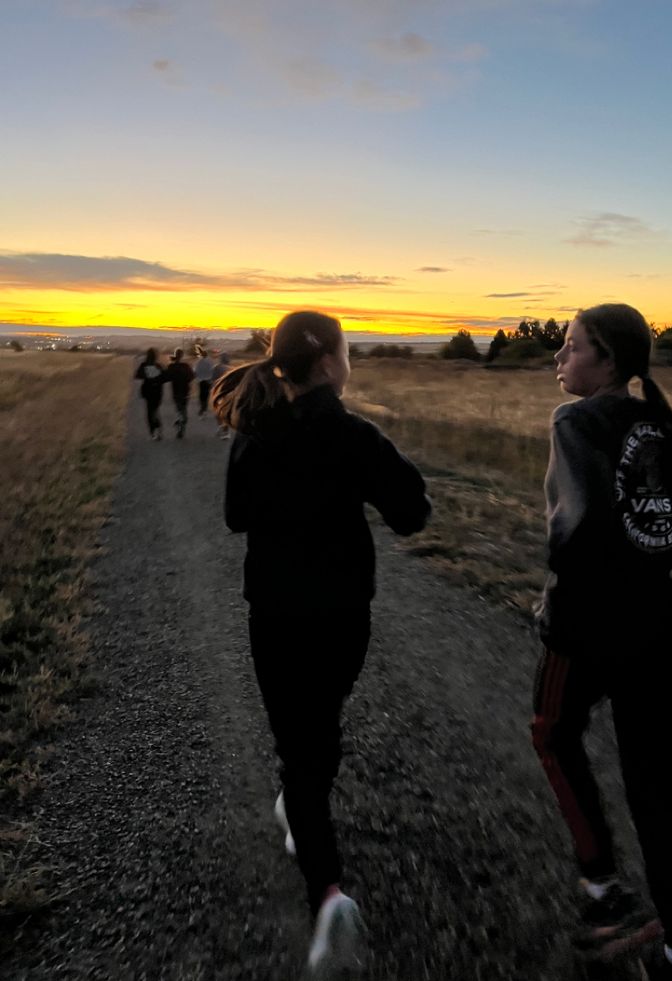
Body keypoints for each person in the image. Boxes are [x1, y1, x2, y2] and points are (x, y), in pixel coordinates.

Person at [212, 310, 430, 977]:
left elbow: (234, 516)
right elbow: (413, 513)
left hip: (275, 612)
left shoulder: (256, 432)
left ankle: (325, 885)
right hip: (343, 615)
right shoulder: (355, 435)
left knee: (298, 745)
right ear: (333, 363)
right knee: (320, 729)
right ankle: (314, 848)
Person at [532, 303, 672, 980]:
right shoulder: (666, 424)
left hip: (587, 623)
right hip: (658, 622)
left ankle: (602, 887)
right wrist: (657, 546)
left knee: (552, 731)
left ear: (608, 360)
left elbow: (575, 533)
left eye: (570, 346)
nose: (559, 358)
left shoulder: (575, 421)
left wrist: (564, 589)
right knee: (655, 785)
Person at [134, 347, 166, 440]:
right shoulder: (159, 366)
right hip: (158, 392)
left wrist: (147, 375)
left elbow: (137, 376)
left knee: (150, 412)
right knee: (155, 411)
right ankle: (158, 428)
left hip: (148, 392)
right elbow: (164, 377)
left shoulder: (143, 365)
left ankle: (153, 432)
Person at [165, 348, 194, 439]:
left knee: (179, 409)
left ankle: (179, 424)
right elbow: (191, 377)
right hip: (185, 391)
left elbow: (167, 377)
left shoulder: (171, 366)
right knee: (184, 409)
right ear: (182, 356)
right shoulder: (186, 366)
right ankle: (181, 425)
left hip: (176, 391)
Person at [210, 351, 232, 439]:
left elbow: (212, 380)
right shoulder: (232, 369)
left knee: (218, 411)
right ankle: (225, 430)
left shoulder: (216, 368)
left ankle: (222, 428)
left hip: (219, 393)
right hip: (229, 393)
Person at [193, 346, 215, 417]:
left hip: (201, 381)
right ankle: (204, 409)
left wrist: (197, 377)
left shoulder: (199, 362)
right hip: (208, 381)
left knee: (201, 396)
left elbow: (196, 371)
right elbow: (212, 371)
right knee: (206, 396)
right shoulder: (210, 361)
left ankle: (202, 408)